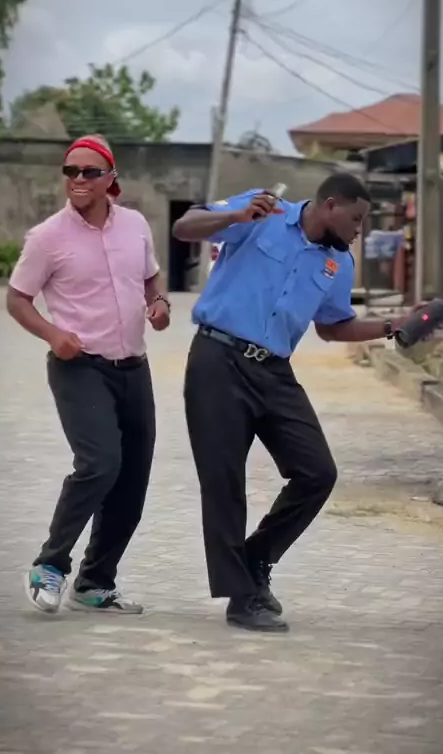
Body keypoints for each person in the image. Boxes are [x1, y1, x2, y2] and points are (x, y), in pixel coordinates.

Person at [173, 174, 423, 633]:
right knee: (224, 482)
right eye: (356, 219)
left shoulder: (338, 263)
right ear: (330, 206)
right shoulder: (263, 212)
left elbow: (332, 326)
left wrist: (393, 325)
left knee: (317, 472)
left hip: (274, 372)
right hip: (217, 359)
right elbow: (184, 227)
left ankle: (255, 558)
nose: (359, 230)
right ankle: (242, 599)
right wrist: (235, 216)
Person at [7, 134, 170, 615]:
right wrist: (52, 333)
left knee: (133, 478)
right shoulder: (47, 238)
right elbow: (17, 299)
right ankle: (49, 565)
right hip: (79, 367)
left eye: (89, 172)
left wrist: (159, 303)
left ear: (110, 178)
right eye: (70, 171)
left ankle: (95, 582)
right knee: (100, 463)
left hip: (133, 366)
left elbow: (150, 277)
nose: (78, 179)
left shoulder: (135, 225)